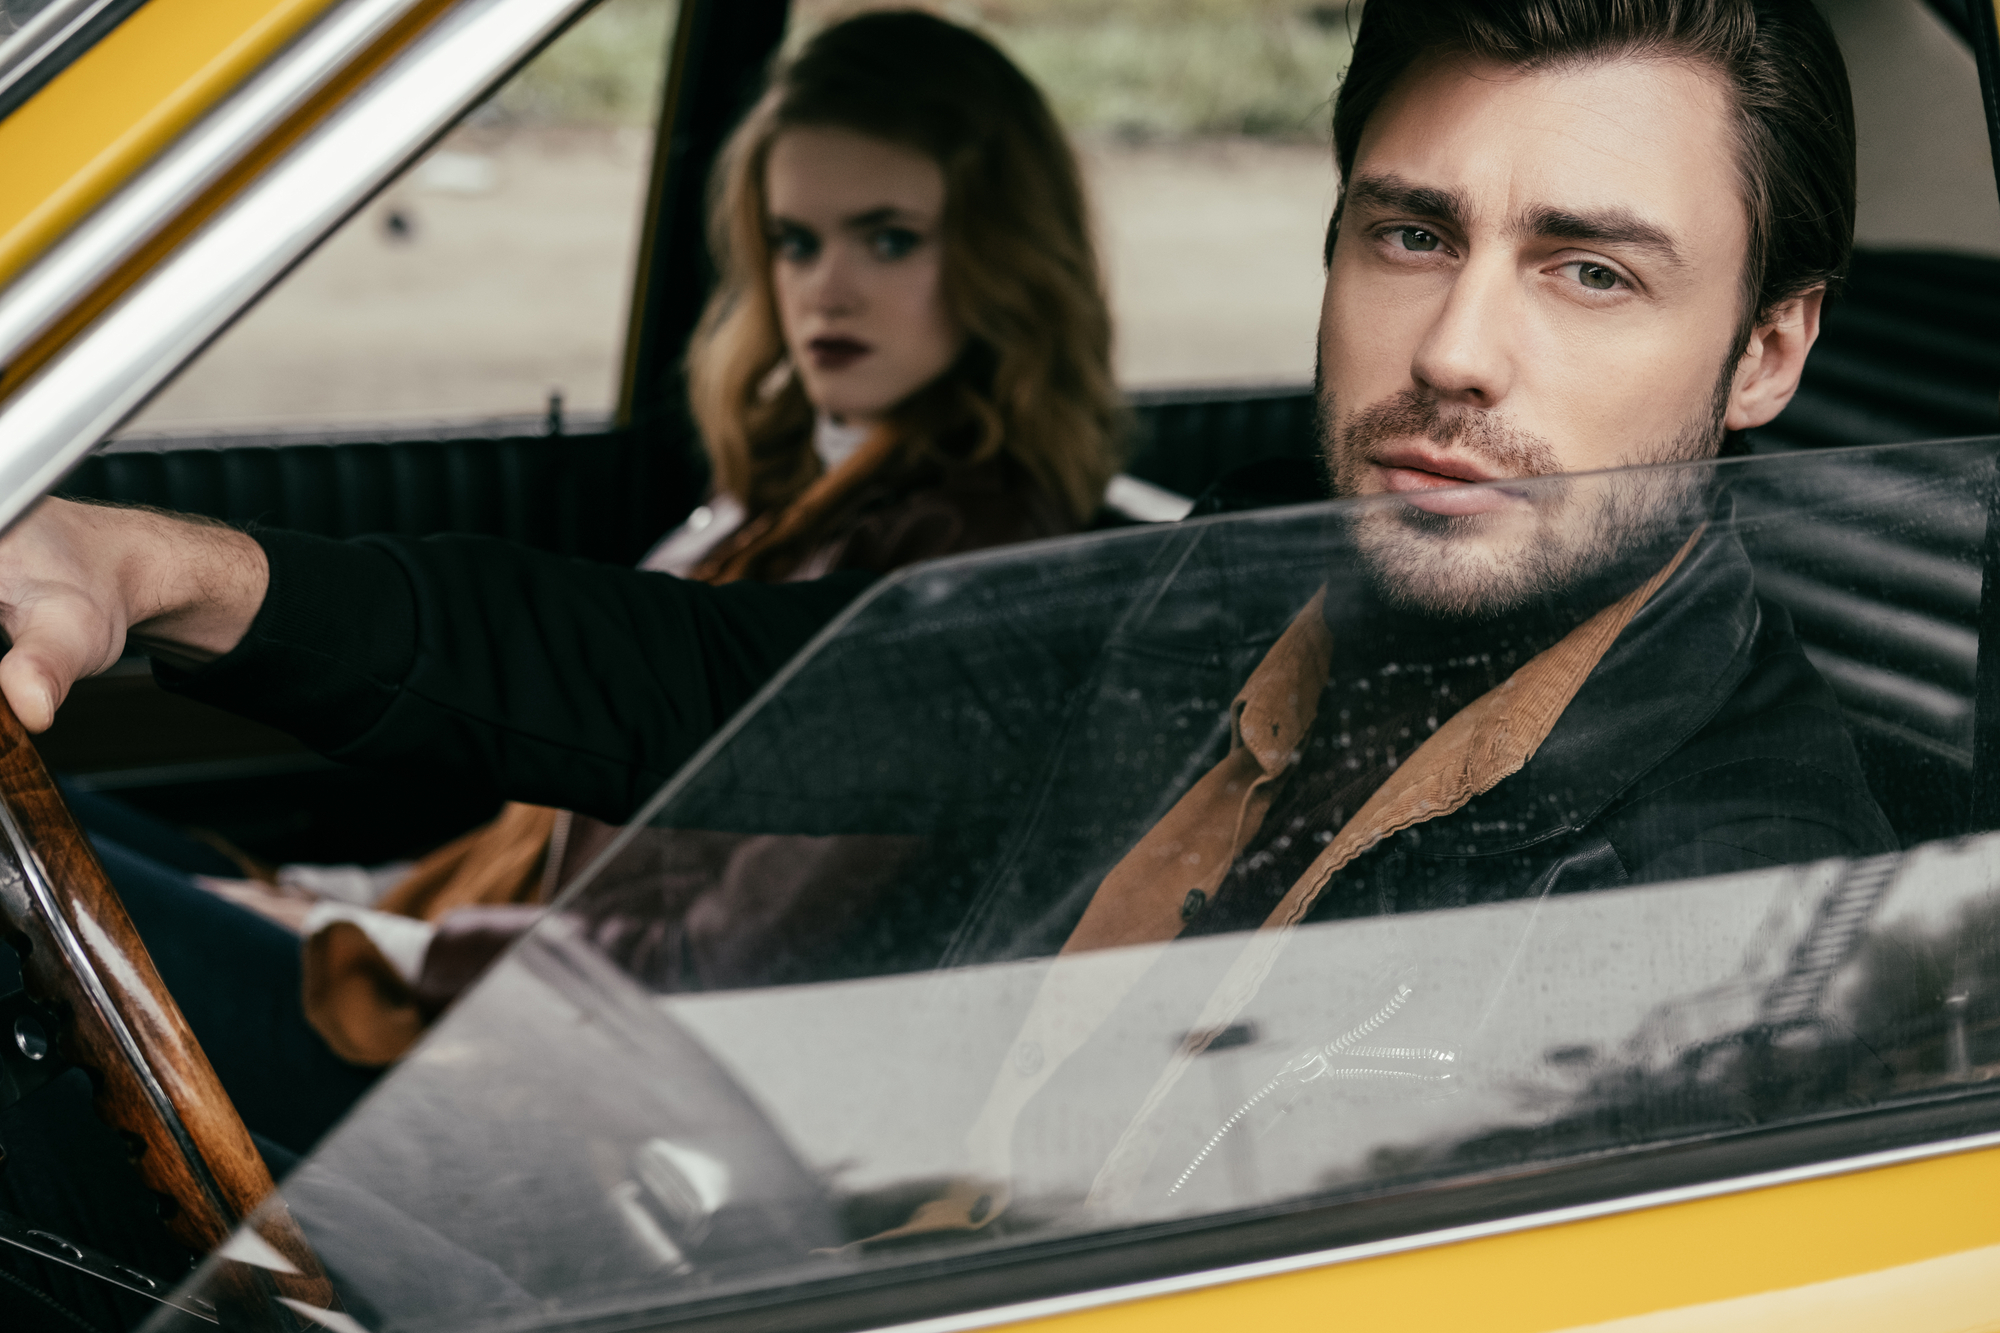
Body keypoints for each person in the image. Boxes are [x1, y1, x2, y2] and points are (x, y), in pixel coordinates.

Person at [0, 0, 1898, 1319]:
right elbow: (709, 684)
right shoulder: (1232, 589)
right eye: (1412, 231)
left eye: (1592, 269)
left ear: (1767, 353)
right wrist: (153, 563)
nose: (1458, 348)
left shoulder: (1747, 910)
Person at [199, 8, 1121, 1069]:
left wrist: (376, 941)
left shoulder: (963, 569)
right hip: (493, 992)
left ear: (1000, 258)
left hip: (542, 1075)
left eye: (889, 238)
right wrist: (341, 905)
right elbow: (563, 862)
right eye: (794, 242)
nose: (827, 287)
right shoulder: (797, 486)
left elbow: (726, 962)